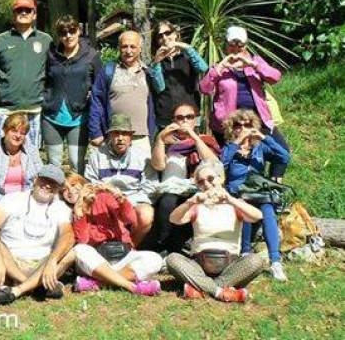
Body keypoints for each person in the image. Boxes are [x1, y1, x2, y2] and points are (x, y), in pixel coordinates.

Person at [166, 160, 265, 303]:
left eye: (210, 179)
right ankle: (220, 292)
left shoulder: (235, 204)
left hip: (229, 266)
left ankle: (201, 288)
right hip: (199, 264)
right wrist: (191, 201)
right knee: (172, 259)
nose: (206, 184)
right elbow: (174, 219)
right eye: (200, 182)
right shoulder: (196, 206)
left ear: (221, 178)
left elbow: (257, 216)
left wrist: (230, 199)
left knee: (256, 261)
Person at [199, 25, 289, 180]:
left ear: (246, 45)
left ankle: (274, 185)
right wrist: (220, 67)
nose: (236, 49)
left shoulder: (255, 62)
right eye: (232, 45)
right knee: (231, 160)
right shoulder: (220, 67)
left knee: (281, 149)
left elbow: (275, 77)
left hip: (257, 120)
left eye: (240, 45)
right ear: (226, 46)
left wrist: (253, 65)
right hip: (229, 125)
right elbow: (204, 88)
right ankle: (234, 190)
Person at [0, 165, 75, 307]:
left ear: (59, 188)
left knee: (72, 252)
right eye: (44, 180)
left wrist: (52, 261)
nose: (47, 185)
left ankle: (16, 290)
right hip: (10, 262)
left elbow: (68, 235)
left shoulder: (61, 208)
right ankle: (35, 286)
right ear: (36, 179)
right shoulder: (13, 199)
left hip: (42, 264)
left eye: (53, 183)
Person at [221, 109, 290, 281]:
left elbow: (284, 157)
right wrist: (237, 141)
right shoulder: (229, 148)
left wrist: (264, 137)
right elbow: (221, 164)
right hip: (237, 193)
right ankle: (245, 254)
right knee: (245, 208)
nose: (243, 128)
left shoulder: (260, 148)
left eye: (248, 124)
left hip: (259, 193)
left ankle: (275, 262)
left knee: (268, 211)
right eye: (238, 125)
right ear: (232, 128)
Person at [0, 0, 52, 149]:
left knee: (30, 158)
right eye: (19, 10)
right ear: (13, 15)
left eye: (27, 10)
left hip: (35, 111)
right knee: (2, 157)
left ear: (34, 14)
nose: (23, 13)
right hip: (6, 111)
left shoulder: (46, 40)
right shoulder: (0, 41)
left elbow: (53, 74)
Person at [150, 103, 220, 253]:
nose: (184, 121)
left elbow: (213, 163)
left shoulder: (205, 140)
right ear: (173, 121)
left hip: (199, 188)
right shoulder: (166, 142)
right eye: (179, 118)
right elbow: (158, 165)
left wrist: (194, 137)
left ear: (196, 120)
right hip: (172, 189)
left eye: (189, 117)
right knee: (167, 203)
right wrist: (160, 140)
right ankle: (165, 247)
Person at [71, 184, 163, 296]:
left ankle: (98, 283)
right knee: (80, 249)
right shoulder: (75, 209)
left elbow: (130, 219)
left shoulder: (103, 197)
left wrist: (120, 199)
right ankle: (132, 286)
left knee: (155, 259)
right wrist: (80, 211)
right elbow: (83, 239)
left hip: (121, 256)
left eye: (74, 186)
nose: (71, 191)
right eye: (66, 189)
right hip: (97, 263)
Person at [84, 114, 157, 246]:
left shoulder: (142, 157)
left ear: (131, 137)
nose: (120, 138)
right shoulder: (97, 156)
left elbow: (151, 186)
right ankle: (104, 247)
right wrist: (108, 194)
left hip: (134, 198)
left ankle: (130, 246)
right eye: (116, 134)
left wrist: (127, 201)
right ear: (110, 136)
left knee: (146, 215)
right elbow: (91, 181)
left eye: (124, 134)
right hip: (105, 198)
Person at [0, 113, 43, 250]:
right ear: (5, 130)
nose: (18, 136)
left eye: (22, 133)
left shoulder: (31, 150)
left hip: (23, 195)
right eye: (14, 131)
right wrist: (1, 199)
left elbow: (40, 174)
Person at [88, 30, 164, 156]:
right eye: (124, 46)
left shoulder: (148, 73)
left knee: (141, 174)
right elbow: (97, 101)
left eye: (133, 46)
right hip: (114, 138)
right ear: (119, 48)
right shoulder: (108, 71)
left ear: (140, 49)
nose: (128, 51)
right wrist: (95, 132)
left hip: (141, 139)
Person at [42, 15, 102, 174]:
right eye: (63, 33)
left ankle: (77, 197)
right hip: (51, 117)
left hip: (78, 118)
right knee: (53, 165)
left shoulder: (91, 55)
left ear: (79, 31)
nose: (68, 36)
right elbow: (44, 79)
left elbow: (100, 87)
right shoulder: (51, 55)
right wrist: (45, 99)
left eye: (71, 31)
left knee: (76, 163)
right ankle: (55, 198)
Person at [150, 21, 208, 128]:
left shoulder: (187, 56)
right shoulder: (155, 64)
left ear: (175, 34)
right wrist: (156, 62)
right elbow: (159, 87)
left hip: (190, 115)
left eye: (168, 33)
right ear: (157, 41)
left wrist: (183, 46)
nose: (165, 37)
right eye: (160, 36)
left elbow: (203, 68)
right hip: (166, 118)